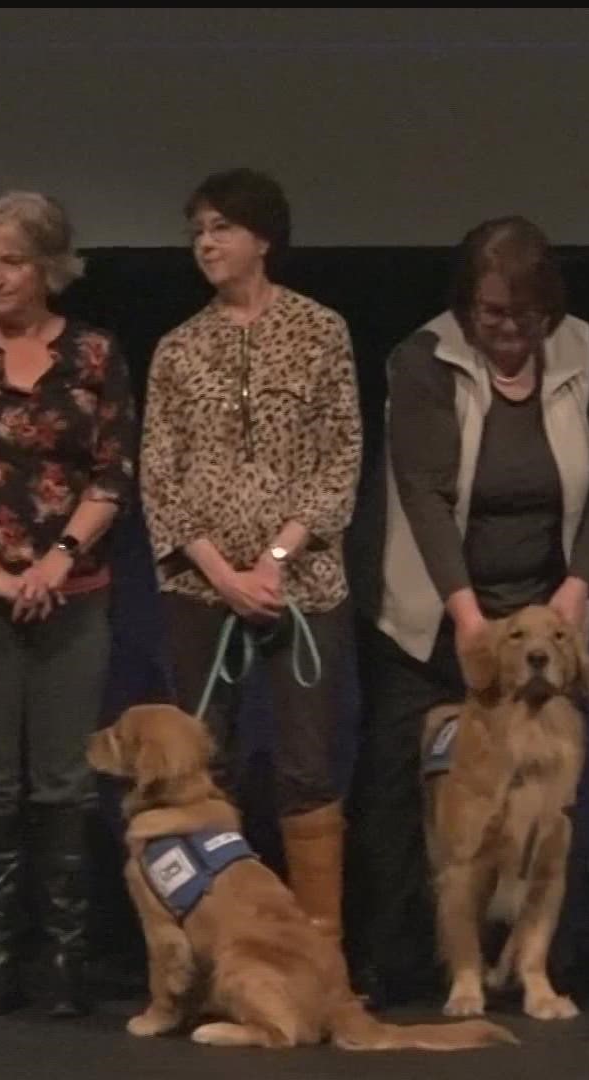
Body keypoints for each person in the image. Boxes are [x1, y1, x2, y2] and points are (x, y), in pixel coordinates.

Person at [347, 216, 589, 1005]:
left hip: (545, 618)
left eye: (524, 317)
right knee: (410, 801)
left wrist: (575, 594)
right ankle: (395, 965)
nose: (507, 332)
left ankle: (530, 962)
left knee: (542, 805)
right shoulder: (424, 357)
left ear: (549, 310)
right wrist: (468, 620)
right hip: (440, 616)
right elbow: (425, 497)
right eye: (491, 316)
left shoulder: (588, 352)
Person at [0, 191, 136, 1018]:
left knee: (63, 779)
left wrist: (56, 560)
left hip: (73, 592)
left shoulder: (95, 354)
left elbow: (112, 472)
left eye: (13, 261)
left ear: (49, 269)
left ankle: (63, 962)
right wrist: (0, 575)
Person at [139, 168, 361, 946]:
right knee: (208, 766)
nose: (206, 242)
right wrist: (225, 575)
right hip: (204, 592)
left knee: (306, 767)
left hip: (303, 585)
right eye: (197, 228)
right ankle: (222, 945)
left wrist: (273, 560)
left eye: (222, 227)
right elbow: (159, 479)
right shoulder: (178, 349)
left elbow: (340, 460)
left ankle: (320, 951)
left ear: (262, 239)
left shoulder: (321, 331)